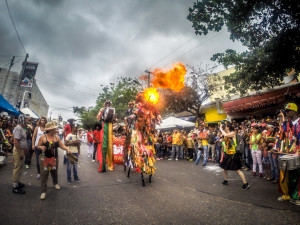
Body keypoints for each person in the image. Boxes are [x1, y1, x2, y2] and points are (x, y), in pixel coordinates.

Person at [37, 121, 71, 200]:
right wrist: (40, 147)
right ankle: (43, 191)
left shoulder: (56, 137)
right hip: (44, 158)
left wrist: (67, 149)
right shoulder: (43, 137)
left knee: (54, 172)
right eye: (54, 128)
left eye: (55, 128)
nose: (56, 129)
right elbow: (38, 146)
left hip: (54, 158)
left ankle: (55, 183)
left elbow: (61, 145)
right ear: (49, 130)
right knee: (44, 175)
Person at [277, 103, 300, 205]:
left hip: (297, 152)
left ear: (294, 111)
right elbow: (282, 133)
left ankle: (296, 196)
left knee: (296, 175)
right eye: (285, 111)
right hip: (287, 151)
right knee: (284, 173)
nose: (286, 113)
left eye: (288, 111)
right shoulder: (287, 123)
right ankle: (286, 194)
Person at [219, 123, 250, 190]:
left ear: (228, 127)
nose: (224, 127)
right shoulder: (226, 134)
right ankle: (226, 180)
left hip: (234, 154)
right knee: (224, 168)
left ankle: (245, 183)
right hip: (227, 154)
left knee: (237, 170)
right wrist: (222, 140)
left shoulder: (233, 133)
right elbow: (226, 140)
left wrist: (220, 128)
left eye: (225, 126)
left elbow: (226, 135)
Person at [12, 114, 30, 194]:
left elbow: (24, 137)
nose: (27, 121)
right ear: (22, 119)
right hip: (18, 151)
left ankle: (17, 182)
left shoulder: (22, 128)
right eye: (26, 119)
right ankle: (15, 186)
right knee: (17, 167)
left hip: (21, 150)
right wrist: (19, 152)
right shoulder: (18, 128)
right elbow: (16, 141)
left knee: (20, 166)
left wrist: (24, 150)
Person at [97, 100, 115, 171]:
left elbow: (114, 119)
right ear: (105, 104)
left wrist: (114, 118)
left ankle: (110, 165)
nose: (108, 104)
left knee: (110, 146)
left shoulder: (112, 110)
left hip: (110, 125)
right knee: (104, 146)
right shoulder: (102, 110)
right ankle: (103, 166)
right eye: (107, 103)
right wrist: (102, 117)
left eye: (109, 104)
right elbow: (98, 117)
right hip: (105, 125)